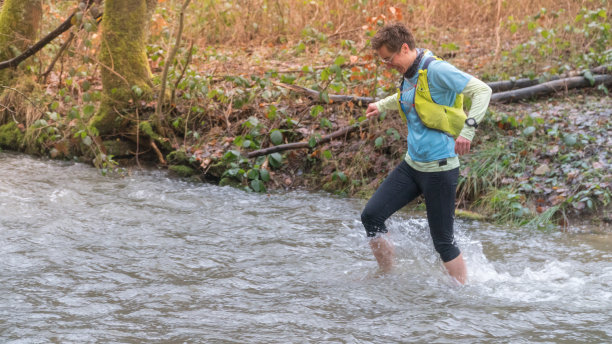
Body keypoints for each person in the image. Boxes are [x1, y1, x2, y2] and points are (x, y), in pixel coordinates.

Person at [361, 23, 492, 284]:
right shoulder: (411, 71)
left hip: (440, 169)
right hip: (413, 165)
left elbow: (482, 91)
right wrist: (382, 105)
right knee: (371, 216)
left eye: (389, 58)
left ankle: (463, 293)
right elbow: (408, 96)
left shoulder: (437, 70)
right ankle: (386, 277)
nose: (388, 65)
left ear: (405, 48)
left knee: (443, 241)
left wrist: (468, 131)